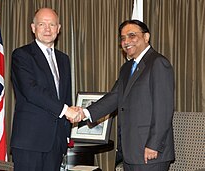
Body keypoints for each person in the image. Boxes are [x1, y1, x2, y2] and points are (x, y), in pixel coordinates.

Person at [73, 19, 175, 171]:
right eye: (122, 38)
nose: (126, 41)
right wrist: (85, 112)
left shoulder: (158, 63)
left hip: (151, 152)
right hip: (130, 152)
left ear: (146, 37)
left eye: (132, 35)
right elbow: (114, 97)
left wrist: (153, 145)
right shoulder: (127, 68)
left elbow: (163, 110)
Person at [10, 8, 78, 171]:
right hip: (30, 141)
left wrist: (66, 132)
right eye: (42, 24)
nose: (47, 29)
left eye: (52, 24)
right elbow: (31, 91)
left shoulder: (64, 59)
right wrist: (66, 110)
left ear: (58, 28)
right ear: (33, 28)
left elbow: (65, 96)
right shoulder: (21, 55)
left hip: (56, 142)